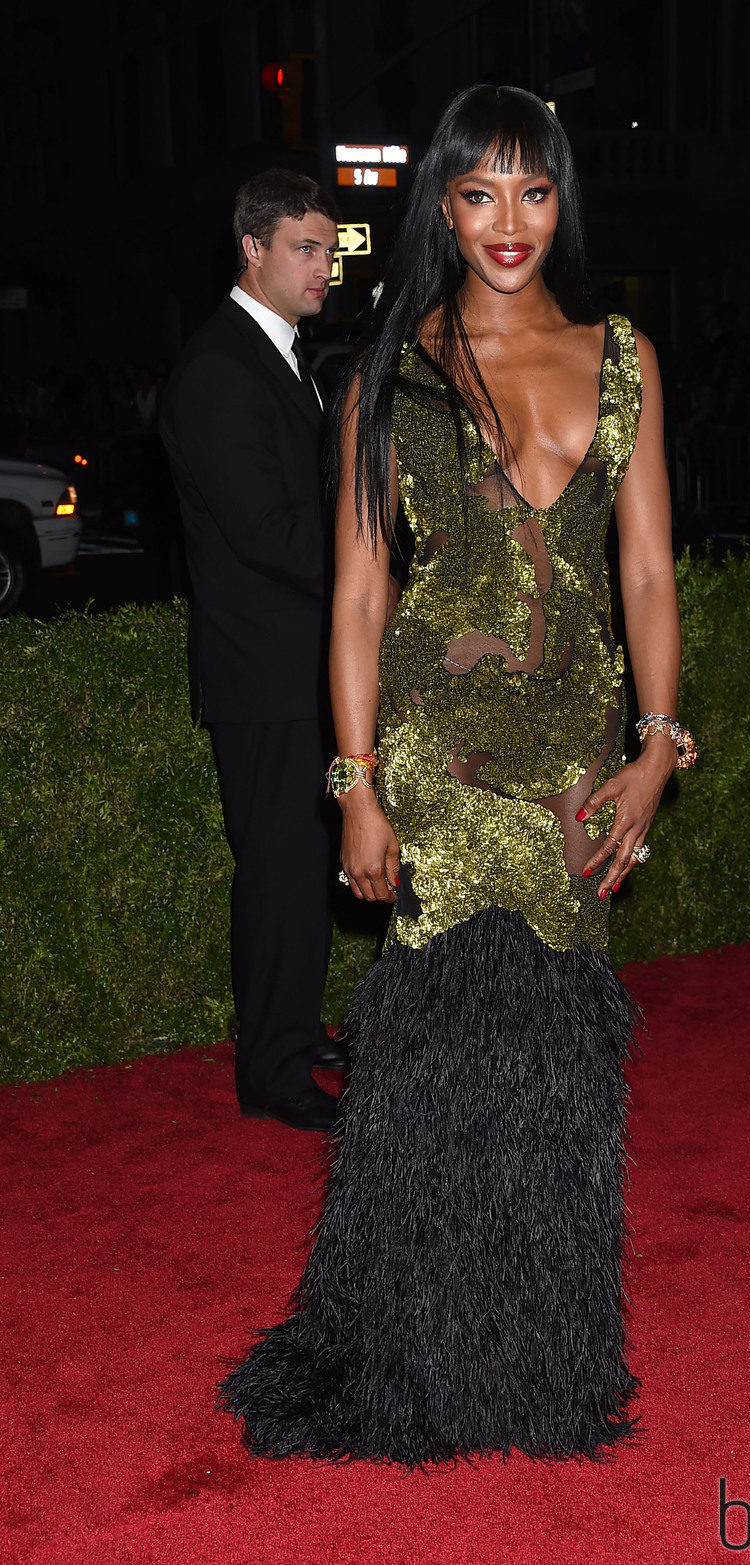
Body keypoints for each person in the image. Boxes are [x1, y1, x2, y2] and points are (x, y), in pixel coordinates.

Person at [219, 85, 692, 1462]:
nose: (507, 223)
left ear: (563, 203)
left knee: (554, 1055)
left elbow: (650, 569)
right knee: (439, 1059)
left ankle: (535, 1360)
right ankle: (419, 1358)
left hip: (577, 755)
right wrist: (358, 780)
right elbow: (360, 600)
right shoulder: (389, 371)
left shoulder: (625, 361)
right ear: (438, 202)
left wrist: (660, 746)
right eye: (477, 193)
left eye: (533, 193)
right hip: (437, 742)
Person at [160, 169, 347, 1133]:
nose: (326, 266)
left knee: (307, 858)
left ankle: (293, 1028)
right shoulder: (220, 369)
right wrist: (374, 562)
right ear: (254, 248)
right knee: (278, 863)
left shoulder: (276, 356)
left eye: (330, 248)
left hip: (295, 665)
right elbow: (268, 532)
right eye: (307, 248)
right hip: (264, 670)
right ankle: (270, 1072)